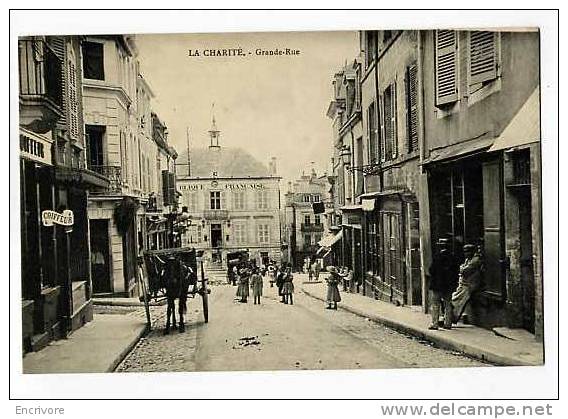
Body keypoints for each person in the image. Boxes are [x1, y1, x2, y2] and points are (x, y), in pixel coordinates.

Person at [427, 238, 459, 330]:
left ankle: (435, 324)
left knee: (435, 304)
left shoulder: (437, 256)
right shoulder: (452, 257)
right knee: (448, 303)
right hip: (448, 285)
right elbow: (455, 271)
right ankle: (448, 323)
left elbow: (431, 270)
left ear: (440, 246)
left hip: (437, 285)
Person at [450, 244, 484, 324]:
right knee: (456, 296)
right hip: (465, 283)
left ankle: (454, 316)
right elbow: (463, 269)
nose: (466, 254)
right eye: (465, 252)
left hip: (471, 284)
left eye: (467, 252)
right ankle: (452, 315)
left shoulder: (475, 260)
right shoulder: (468, 259)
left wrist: (462, 269)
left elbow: (464, 270)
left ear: (472, 252)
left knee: (461, 297)